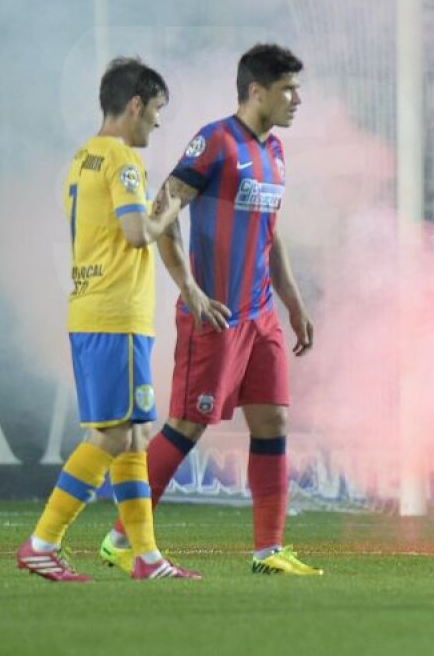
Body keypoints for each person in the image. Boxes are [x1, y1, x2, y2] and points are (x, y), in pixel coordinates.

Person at [98, 43, 320, 577]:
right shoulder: (217, 141)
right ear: (256, 91)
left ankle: (269, 551)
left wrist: (291, 299)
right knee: (187, 425)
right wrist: (191, 291)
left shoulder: (276, 153)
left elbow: (272, 231)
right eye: (288, 89)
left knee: (273, 420)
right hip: (216, 314)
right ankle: (120, 537)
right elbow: (164, 211)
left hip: (260, 312)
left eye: (298, 88)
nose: (297, 99)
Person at [17, 58, 200, 582]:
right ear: (136, 104)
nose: (157, 124)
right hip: (115, 316)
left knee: (135, 436)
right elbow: (137, 232)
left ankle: (146, 556)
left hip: (96, 310)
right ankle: (42, 541)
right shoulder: (121, 159)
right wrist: (170, 206)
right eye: (157, 110)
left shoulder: (81, 159)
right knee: (114, 436)